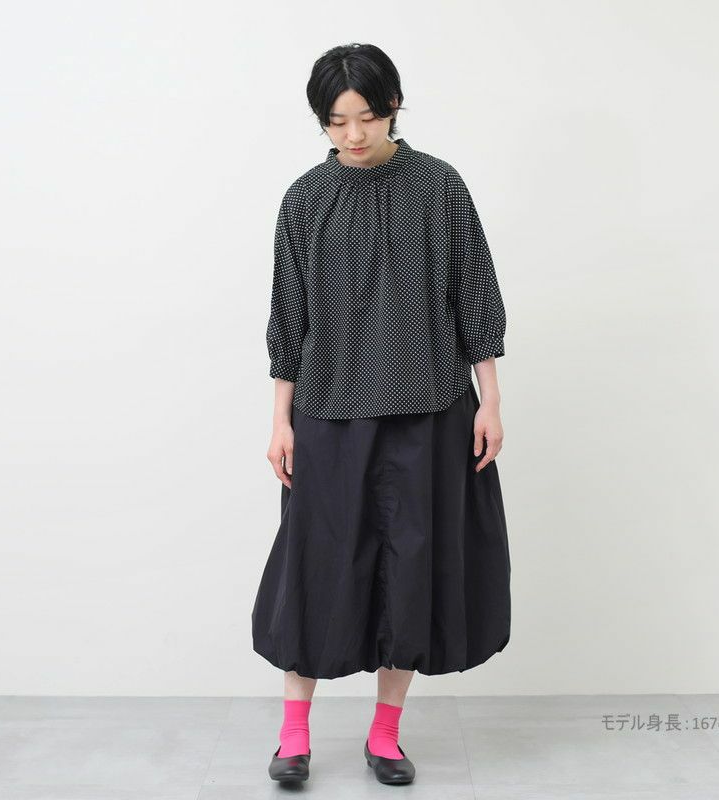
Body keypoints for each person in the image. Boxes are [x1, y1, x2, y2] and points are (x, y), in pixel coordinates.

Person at [251, 42, 512, 786]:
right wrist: (280, 420)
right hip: (330, 410)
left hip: (430, 409)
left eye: (365, 117)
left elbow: (474, 297)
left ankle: (386, 735)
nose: (353, 134)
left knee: (411, 570)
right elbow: (288, 320)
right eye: (335, 122)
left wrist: (491, 400)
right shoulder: (305, 198)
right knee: (317, 566)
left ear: (393, 106)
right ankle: (293, 736)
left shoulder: (439, 186)